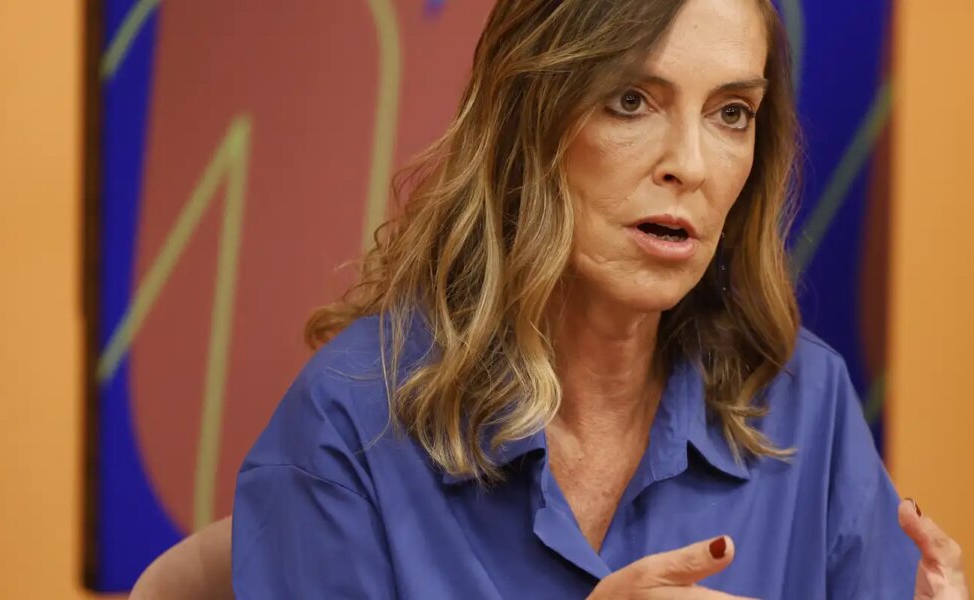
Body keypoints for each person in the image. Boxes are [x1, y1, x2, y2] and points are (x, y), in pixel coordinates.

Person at [232, 0, 969, 597]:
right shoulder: (349, 418)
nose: (690, 165)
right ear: (528, 121)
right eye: (631, 101)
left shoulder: (806, 401)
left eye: (731, 112)